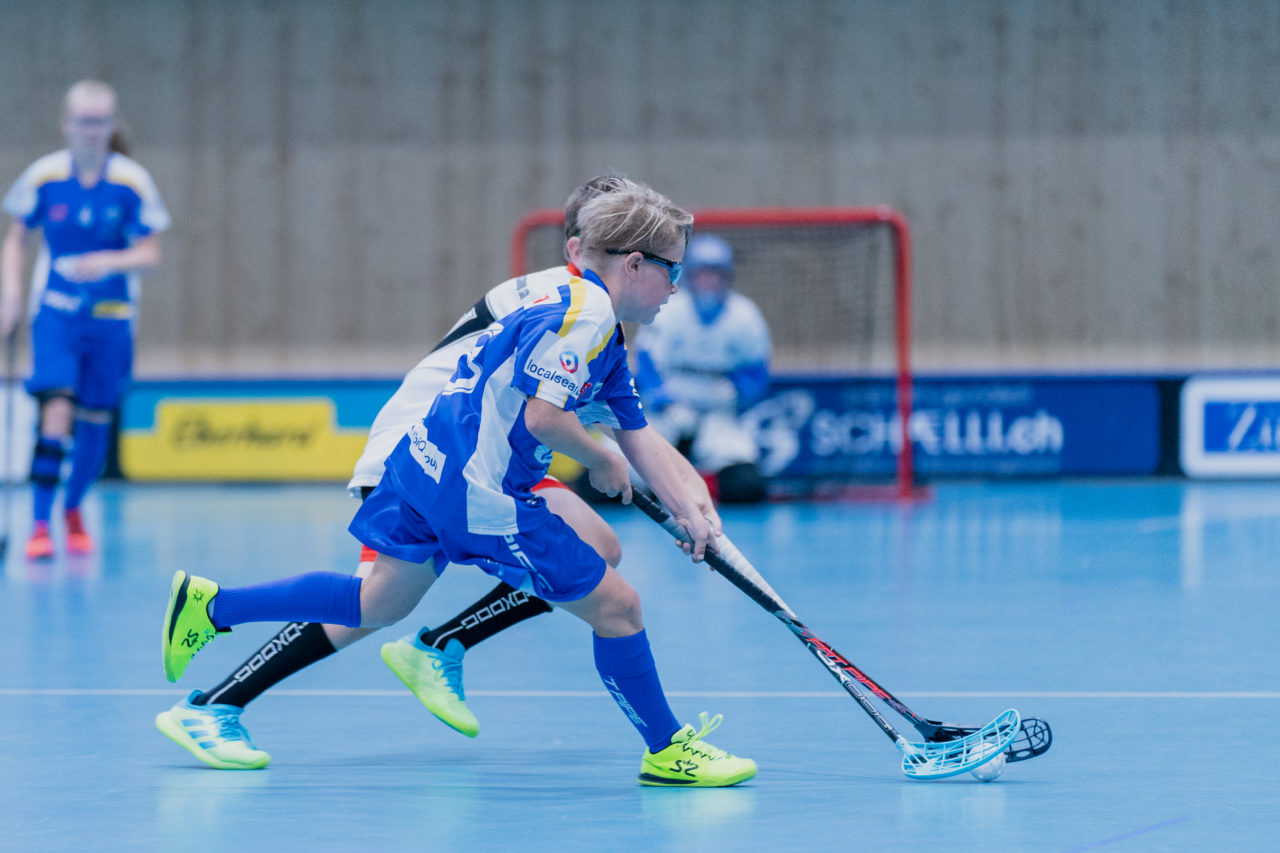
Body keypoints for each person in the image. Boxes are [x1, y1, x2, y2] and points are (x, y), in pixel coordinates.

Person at [158, 180, 754, 786]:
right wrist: (600, 458)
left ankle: (226, 611)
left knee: (386, 598)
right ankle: (219, 703)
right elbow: (548, 417)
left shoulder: (578, 303)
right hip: (453, 455)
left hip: (446, 453)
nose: (676, 288)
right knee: (614, 604)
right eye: (671, 270)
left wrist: (696, 511)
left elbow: (637, 431)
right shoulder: (583, 311)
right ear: (616, 255)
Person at [0, 80, 169, 559]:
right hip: (56, 315)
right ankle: (37, 523)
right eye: (83, 121)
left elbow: (151, 251)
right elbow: (17, 236)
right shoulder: (45, 176)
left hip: (112, 319)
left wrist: (109, 262)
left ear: (111, 125)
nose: (92, 130)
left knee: (95, 420)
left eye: (100, 121)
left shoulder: (131, 181)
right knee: (55, 410)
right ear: (66, 124)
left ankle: (72, 510)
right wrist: (10, 292)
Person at [633, 233, 771, 503]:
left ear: (727, 276)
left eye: (716, 273)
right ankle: (658, 488)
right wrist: (662, 399)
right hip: (670, 411)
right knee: (609, 483)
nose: (709, 281)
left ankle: (704, 493)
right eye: (702, 273)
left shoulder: (745, 316)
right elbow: (646, 362)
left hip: (718, 413)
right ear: (689, 276)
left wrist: (737, 395)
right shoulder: (668, 308)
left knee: (747, 485)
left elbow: (757, 374)